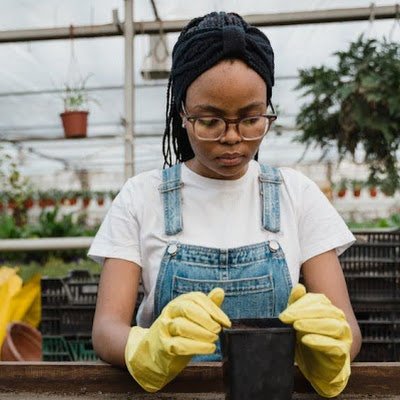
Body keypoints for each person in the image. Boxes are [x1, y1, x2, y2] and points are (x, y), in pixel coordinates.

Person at [89, 11, 362, 397]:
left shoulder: (296, 194)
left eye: (251, 118)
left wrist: (330, 348)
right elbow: (105, 329)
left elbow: (348, 330)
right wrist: (144, 346)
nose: (233, 137)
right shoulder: (141, 196)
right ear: (181, 113)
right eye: (210, 121)